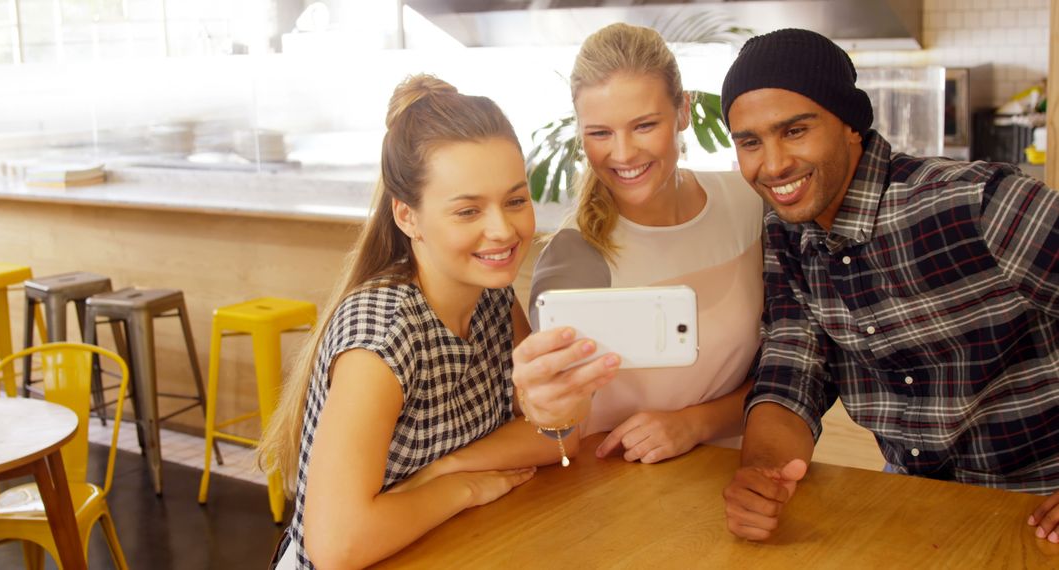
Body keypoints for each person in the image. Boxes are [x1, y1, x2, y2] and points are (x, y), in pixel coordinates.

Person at [717, 28, 1059, 543]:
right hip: (916, 503)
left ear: (851, 125)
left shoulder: (983, 204)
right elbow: (793, 371)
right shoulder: (784, 234)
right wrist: (762, 476)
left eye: (794, 131)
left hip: (1038, 504)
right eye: (750, 141)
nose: (773, 164)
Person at [257, 75, 577, 570]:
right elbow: (336, 545)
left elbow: (558, 433)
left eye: (515, 200)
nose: (503, 229)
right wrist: (461, 488)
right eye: (468, 210)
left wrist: (449, 467)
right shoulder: (383, 337)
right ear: (408, 217)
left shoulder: (491, 298)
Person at [517, 22, 764, 464]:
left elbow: (783, 376)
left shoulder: (748, 205)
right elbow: (559, 428)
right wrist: (541, 405)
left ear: (683, 111)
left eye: (644, 125)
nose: (624, 153)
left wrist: (695, 424)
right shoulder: (575, 260)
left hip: (732, 479)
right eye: (600, 133)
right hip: (614, 494)